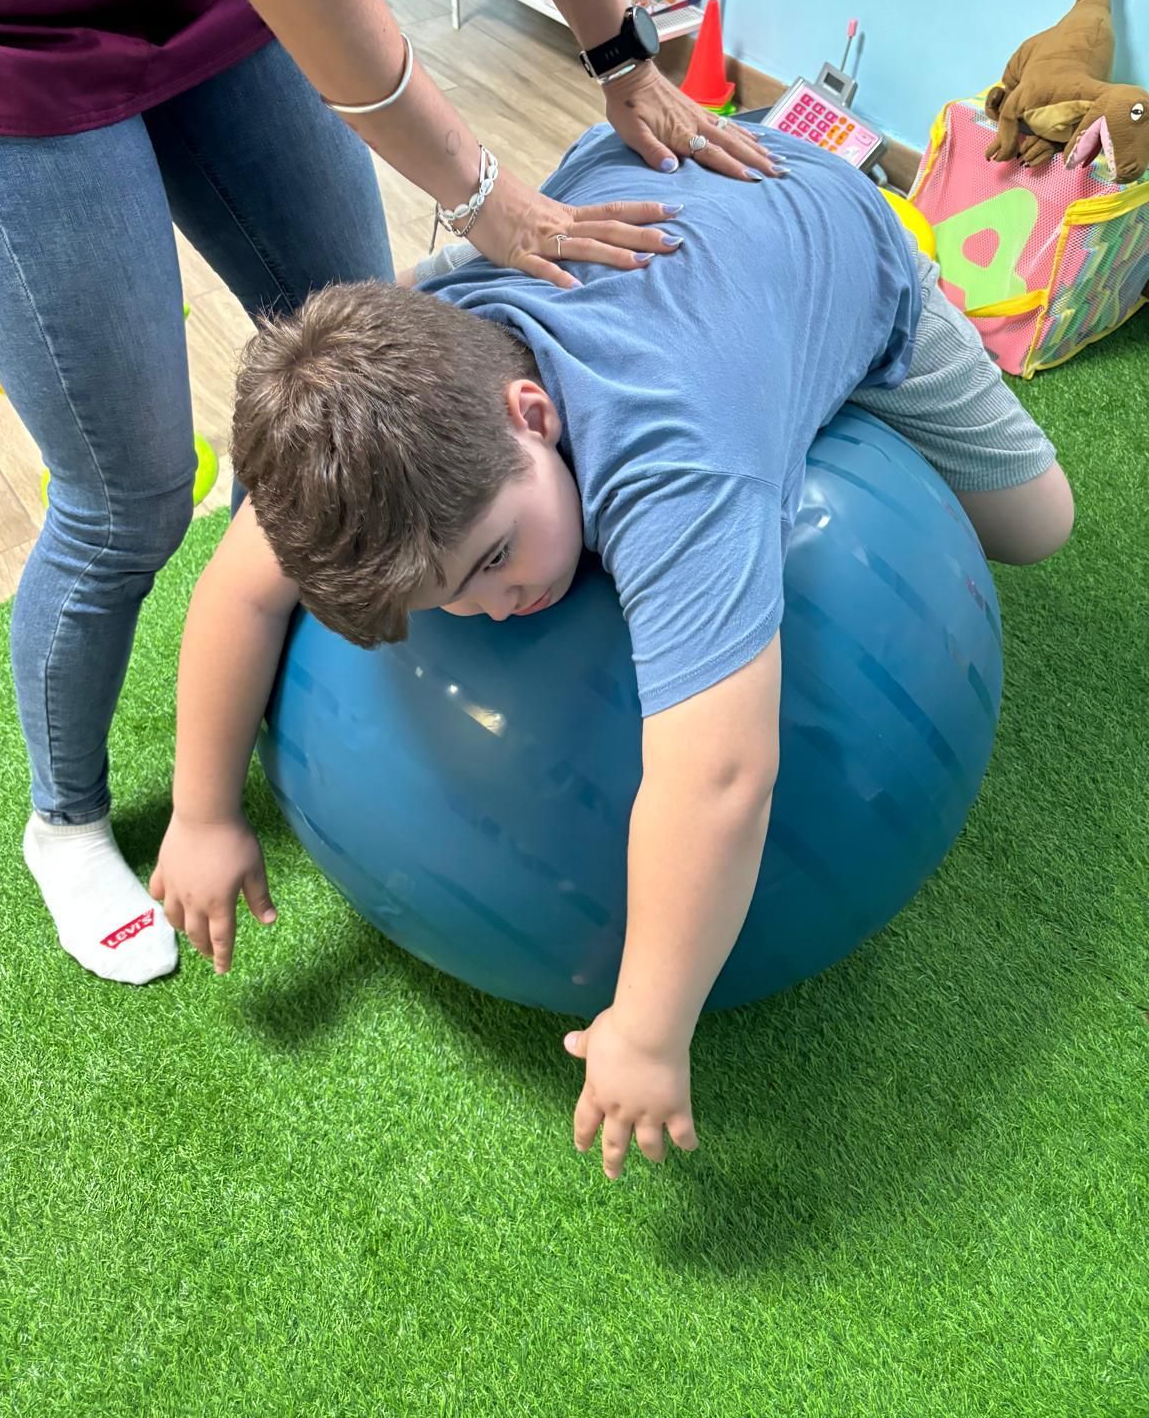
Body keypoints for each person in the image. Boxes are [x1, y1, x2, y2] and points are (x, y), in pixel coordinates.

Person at [151, 119, 1074, 1177]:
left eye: (495, 555)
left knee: (1038, 526)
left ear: (531, 412)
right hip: (640, 219)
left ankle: (830, 353)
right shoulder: (379, 428)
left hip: (826, 232)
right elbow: (240, 590)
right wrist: (202, 810)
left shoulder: (671, 460)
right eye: (448, 599)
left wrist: (645, 1026)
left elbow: (720, 774)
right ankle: (761, 342)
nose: (497, 604)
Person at [0, 0, 778, 987]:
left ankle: (281, 694)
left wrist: (619, 49)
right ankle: (66, 815)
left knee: (356, 373)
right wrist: (482, 190)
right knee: (125, 493)